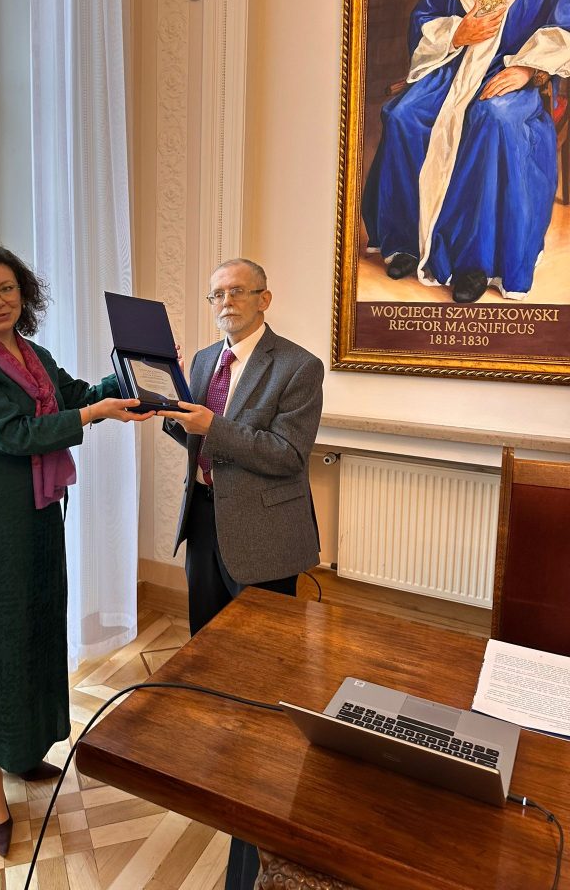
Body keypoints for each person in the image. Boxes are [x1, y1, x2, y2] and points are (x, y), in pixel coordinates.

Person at [0, 244, 153, 857]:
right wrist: (95, 412)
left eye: (7, 289)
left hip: (33, 515)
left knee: (31, 628)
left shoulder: (33, 355)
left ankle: (21, 749)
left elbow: (76, 394)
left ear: (23, 294)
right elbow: (15, 433)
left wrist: (135, 375)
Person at [158, 258, 323, 890]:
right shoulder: (204, 361)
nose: (225, 301)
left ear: (264, 298)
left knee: (263, 661)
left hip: (265, 534)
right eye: (216, 294)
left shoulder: (298, 366)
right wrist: (173, 416)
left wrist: (212, 427)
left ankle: (264, 762)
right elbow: (198, 444)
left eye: (237, 291)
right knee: (207, 644)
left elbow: (287, 456)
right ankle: (218, 743)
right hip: (204, 518)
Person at [362, 0, 570, 303]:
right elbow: (424, 18)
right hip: (457, 67)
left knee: (492, 119)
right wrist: (458, 32)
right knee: (403, 116)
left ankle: (478, 262)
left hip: (517, 69)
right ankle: (405, 240)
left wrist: (528, 70)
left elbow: (565, 24)